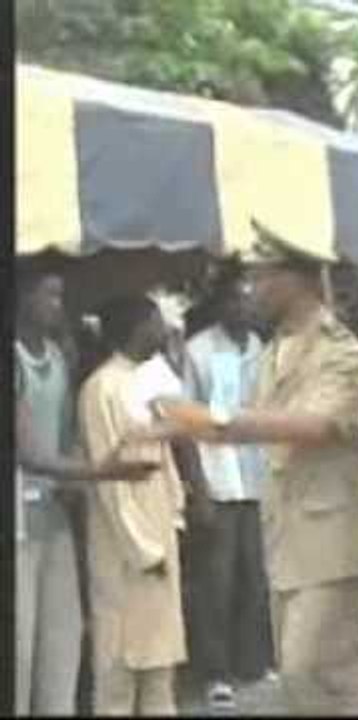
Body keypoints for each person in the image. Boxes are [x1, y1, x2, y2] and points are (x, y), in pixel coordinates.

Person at [128, 224, 358, 713]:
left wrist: (213, 420)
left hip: (333, 540)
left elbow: (314, 424)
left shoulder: (339, 349)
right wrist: (183, 426)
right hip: (287, 538)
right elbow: (250, 421)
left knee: (306, 670)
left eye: (263, 276)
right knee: (306, 683)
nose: (253, 288)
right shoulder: (275, 349)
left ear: (298, 280)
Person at [15, 271, 158, 717]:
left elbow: (64, 437)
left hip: (54, 512)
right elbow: (30, 454)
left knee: (62, 632)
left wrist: (83, 476)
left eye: (61, 294)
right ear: (21, 297)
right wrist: (103, 471)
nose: (59, 304)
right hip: (19, 517)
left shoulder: (58, 356)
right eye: (49, 294)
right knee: (20, 640)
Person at [78, 295, 189, 715]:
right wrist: (143, 550)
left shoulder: (146, 381)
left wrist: (175, 513)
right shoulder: (100, 387)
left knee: (160, 668)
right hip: (127, 550)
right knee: (119, 669)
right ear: (136, 327)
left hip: (160, 530)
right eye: (158, 323)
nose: (164, 331)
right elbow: (109, 480)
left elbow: (164, 454)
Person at [182, 269, 274, 709]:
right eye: (237, 300)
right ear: (221, 305)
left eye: (250, 300)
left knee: (254, 577)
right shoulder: (198, 350)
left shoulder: (257, 347)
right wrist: (197, 488)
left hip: (255, 480)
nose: (246, 308)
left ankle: (252, 663)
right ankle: (215, 672)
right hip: (217, 481)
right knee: (215, 582)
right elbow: (185, 418)